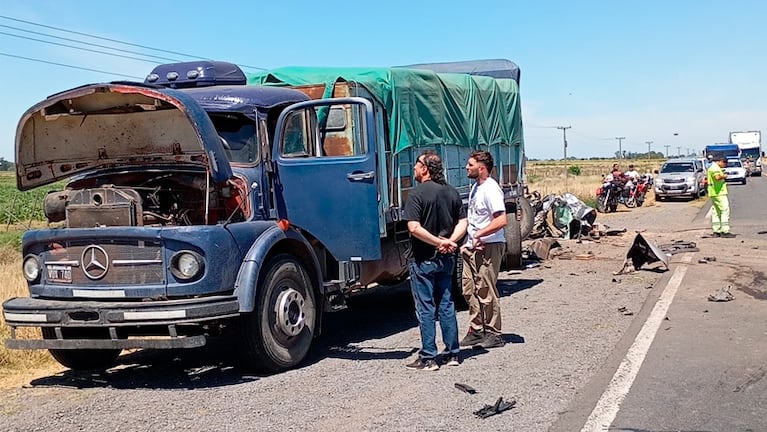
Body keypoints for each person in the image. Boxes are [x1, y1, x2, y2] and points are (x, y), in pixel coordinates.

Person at [402, 150, 468, 371]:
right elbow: (463, 222)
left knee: (426, 307)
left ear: (425, 168)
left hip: (423, 260)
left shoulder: (416, 194)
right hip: (447, 258)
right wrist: (449, 241)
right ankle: (453, 353)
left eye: (417, 164)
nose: (414, 168)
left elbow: (414, 228)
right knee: (447, 305)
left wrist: (437, 243)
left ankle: (429, 357)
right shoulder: (451, 192)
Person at [460, 150, 507, 349]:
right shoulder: (475, 188)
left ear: (481, 168)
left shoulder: (491, 189)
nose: (466, 168)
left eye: (470, 165)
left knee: (486, 289)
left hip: (489, 246)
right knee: (469, 289)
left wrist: (480, 235)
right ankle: (476, 329)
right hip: (472, 247)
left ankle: (494, 333)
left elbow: (501, 220)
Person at [707, 154, 734, 238]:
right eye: (725, 163)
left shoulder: (712, 167)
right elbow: (717, 177)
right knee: (725, 210)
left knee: (716, 212)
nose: (725, 164)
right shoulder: (715, 168)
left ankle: (716, 230)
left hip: (714, 193)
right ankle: (725, 230)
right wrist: (724, 176)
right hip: (719, 193)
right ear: (720, 161)